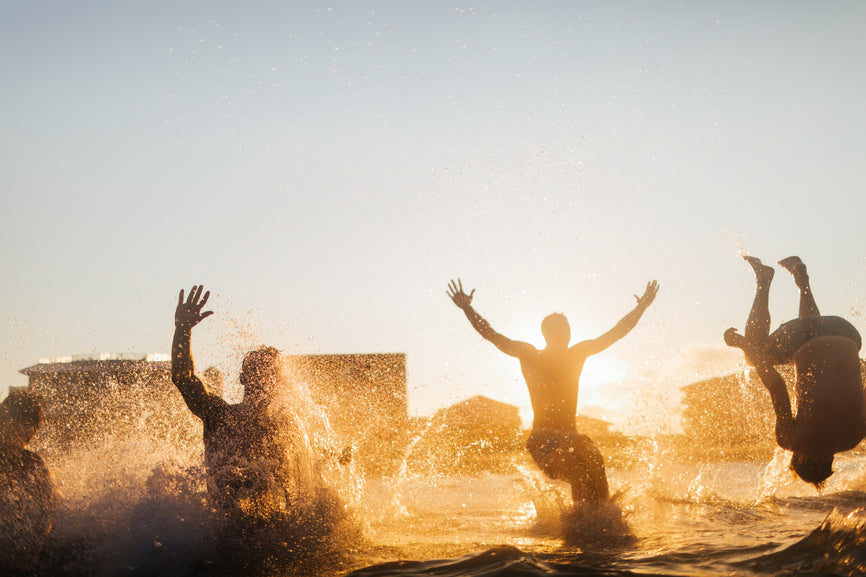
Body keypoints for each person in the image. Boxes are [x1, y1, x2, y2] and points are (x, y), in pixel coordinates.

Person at [447, 278, 658, 506]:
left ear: (570, 333)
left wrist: (641, 308)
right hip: (543, 438)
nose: (561, 334)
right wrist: (467, 308)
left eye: (565, 329)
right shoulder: (530, 355)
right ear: (545, 333)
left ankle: (605, 518)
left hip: (573, 436)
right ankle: (581, 524)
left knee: (596, 461)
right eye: (556, 330)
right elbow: (492, 335)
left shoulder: (577, 353)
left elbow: (616, 333)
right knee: (577, 471)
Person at [171, 285, 315, 516]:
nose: (262, 376)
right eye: (255, 369)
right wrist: (183, 329)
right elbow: (183, 378)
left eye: (269, 372)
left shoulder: (287, 426)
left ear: (278, 381)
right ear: (242, 378)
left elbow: (306, 493)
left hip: (275, 533)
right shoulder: (218, 415)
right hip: (224, 532)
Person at [724, 256, 865, 488]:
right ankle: (763, 279)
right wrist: (743, 345)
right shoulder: (792, 441)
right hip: (808, 334)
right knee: (754, 355)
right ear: (800, 458)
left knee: (812, 332)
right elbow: (777, 386)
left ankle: (802, 280)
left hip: (847, 332)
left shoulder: (856, 437)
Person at [0, 388, 55, 576]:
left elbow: (47, 511)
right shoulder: (33, 463)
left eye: (32, 425)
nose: (29, 432)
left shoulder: (33, 463)